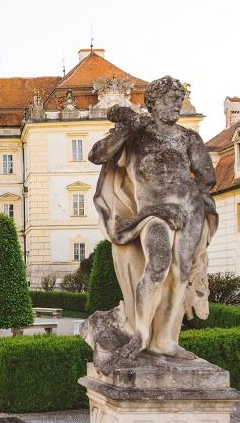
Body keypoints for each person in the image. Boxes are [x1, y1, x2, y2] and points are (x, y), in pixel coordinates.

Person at [88, 76, 217, 360]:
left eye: (179, 101)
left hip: (188, 211)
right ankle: (141, 333)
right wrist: (126, 128)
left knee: (180, 274)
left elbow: (208, 177)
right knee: (158, 265)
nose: (177, 105)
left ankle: (164, 340)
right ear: (154, 102)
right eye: (171, 100)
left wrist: (191, 199)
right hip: (152, 214)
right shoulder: (138, 133)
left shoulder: (188, 138)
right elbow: (97, 154)